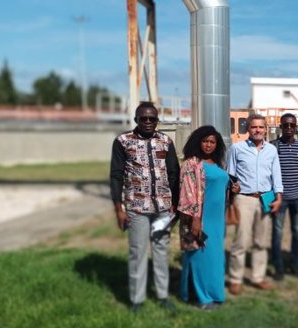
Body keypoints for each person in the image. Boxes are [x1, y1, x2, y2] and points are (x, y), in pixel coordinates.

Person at [109, 101, 180, 313]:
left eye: (152, 119)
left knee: (161, 252)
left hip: (162, 208)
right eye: (143, 118)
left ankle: (162, 295)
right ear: (136, 120)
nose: (148, 122)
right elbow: (116, 176)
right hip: (137, 208)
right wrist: (118, 209)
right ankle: (137, 299)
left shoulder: (166, 141)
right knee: (137, 253)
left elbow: (174, 173)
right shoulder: (123, 141)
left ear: (157, 121)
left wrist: (175, 205)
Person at [226, 114, 283, 295]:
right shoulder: (237, 149)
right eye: (253, 127)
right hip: (244, 199)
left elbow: (277, 175)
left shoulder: (271, 150)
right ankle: (235, 278)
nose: (257, 130)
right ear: (247, 129)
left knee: (260, 240)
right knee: (241, 241)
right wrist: (232, 188)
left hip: (266, 198)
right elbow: (230, 174)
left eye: (260, 127)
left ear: (266, 129)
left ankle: (258, 277)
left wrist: (279, 197)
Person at [177, 126, 228, 310]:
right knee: (199, 256)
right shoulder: (192, 163)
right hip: (200, 218)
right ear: (198, 142)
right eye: (205, 141)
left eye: (212, 142)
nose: (208, 145)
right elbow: (187, 194)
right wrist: (195, 220)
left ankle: (215, 293)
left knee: (214, 258)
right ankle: (201, 297)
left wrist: (233, 189)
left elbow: (220, 186)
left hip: (217, 220)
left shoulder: (217, 164)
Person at [269, 113, 298, 281]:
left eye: (292, 125)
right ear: (280, 127)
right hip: (279, 198)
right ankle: (278, 267)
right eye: (285, 125)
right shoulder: (273, 147)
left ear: (296, 127)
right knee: (278, 233)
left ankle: (295, 265)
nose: (288, 128)